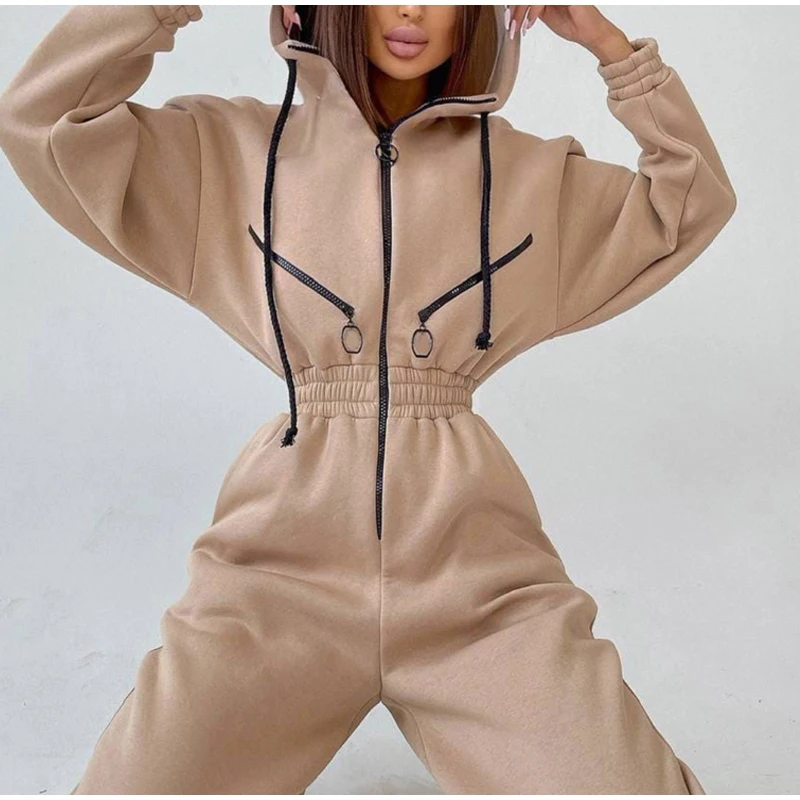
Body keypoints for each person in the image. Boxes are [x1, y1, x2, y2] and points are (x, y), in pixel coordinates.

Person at [0, 4, 736, 794]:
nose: (411, 9)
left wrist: (610, 48)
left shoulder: (530, 175)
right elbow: (44, 120)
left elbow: (689, 203)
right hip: (278, 580)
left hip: (475, 584)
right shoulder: (231, 153)